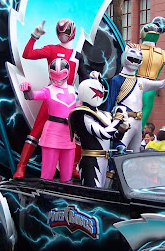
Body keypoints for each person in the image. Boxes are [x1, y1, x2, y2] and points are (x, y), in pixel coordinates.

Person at [14, 18, 88, 179]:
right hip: (52, 95)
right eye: (60, 33)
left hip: (70, 97)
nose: (62, 36)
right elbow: (27, 54)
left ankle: (72, 167)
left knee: (77, 133)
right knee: (36, 132)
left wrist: (92, 81)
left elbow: (84, 76)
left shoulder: (77, 55)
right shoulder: (51, 49)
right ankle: (21, 167)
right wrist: (34, 36)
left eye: (65, 33)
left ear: (72, 32)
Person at [103, 45, 165, 152]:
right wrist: (107, 121)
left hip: (138, 121)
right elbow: (110, 102)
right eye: (132, 59)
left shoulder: (141, 81)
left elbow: (164, 84)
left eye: (138, 60)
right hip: (124, 119)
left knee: (136, 153)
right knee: (119, 149)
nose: (134, 62)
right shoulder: (117, 80)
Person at [20, 58, 77, 183]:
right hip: (52, 134)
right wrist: (27, 91)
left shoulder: (74, 90)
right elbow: (33, 95)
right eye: (54, 74)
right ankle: (44, 199)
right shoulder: (48, 90)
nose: (57, 78)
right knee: (47, 175)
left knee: (67, 176)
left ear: (67, 73)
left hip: (68, 135)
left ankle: (65, 199)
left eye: (60, 74)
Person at [68, 78, 128, 188]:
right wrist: (118, 119)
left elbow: (114, 137)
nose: (100, 95)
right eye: (97, 92)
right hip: (91, 160)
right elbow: (104, 134)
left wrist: (122, 128)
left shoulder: (103, 114)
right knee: (92, 192)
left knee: (102, 192)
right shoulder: (83, 115)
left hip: (105, 160)